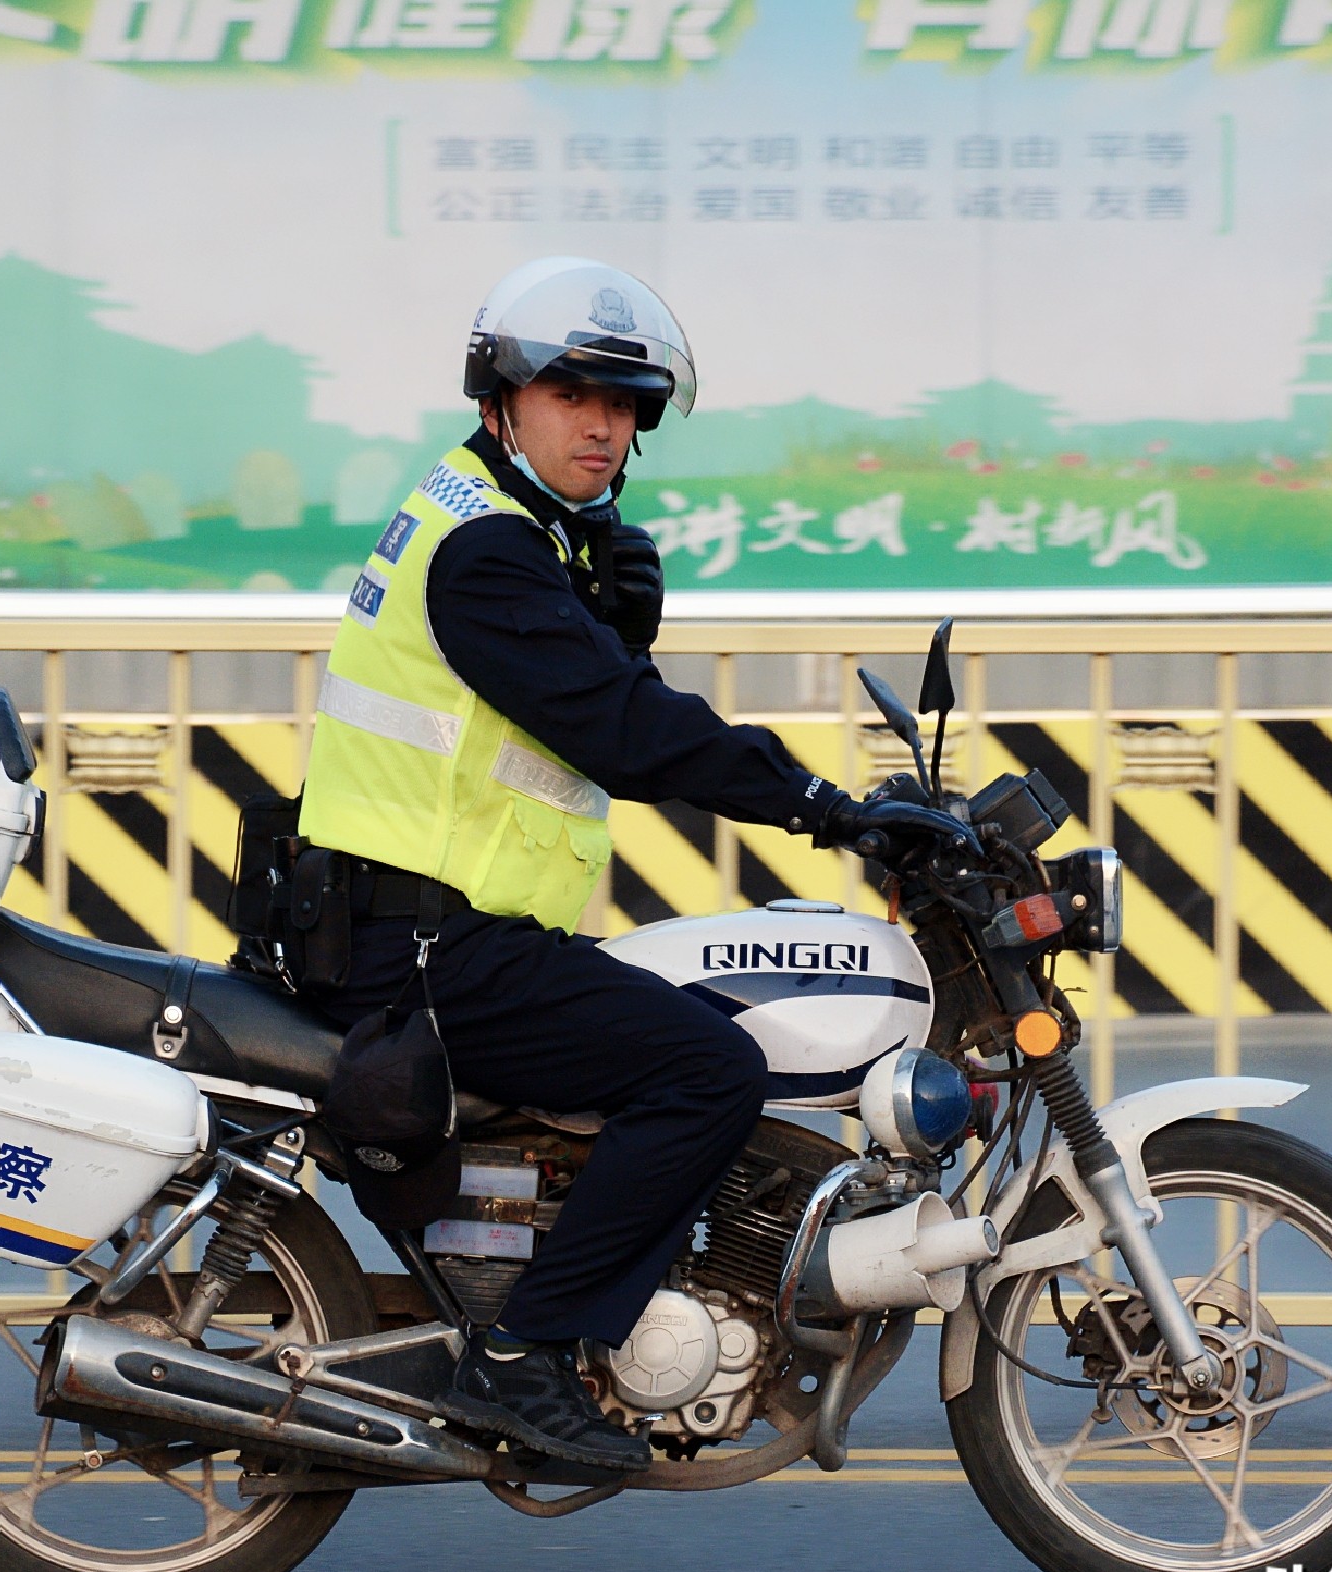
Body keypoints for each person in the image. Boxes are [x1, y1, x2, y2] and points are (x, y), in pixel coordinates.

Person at [292, 257, 967, 1472]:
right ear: (502, 396)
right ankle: (521, 1356)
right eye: (571, 395)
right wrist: (825, 807)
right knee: (707, 1067)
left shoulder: (494, 520)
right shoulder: (487, 552)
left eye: (627, 405)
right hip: (430, 948)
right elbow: (621, 728)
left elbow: (569, 701)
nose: (603, 426)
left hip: (437, 927)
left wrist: (607, 620)